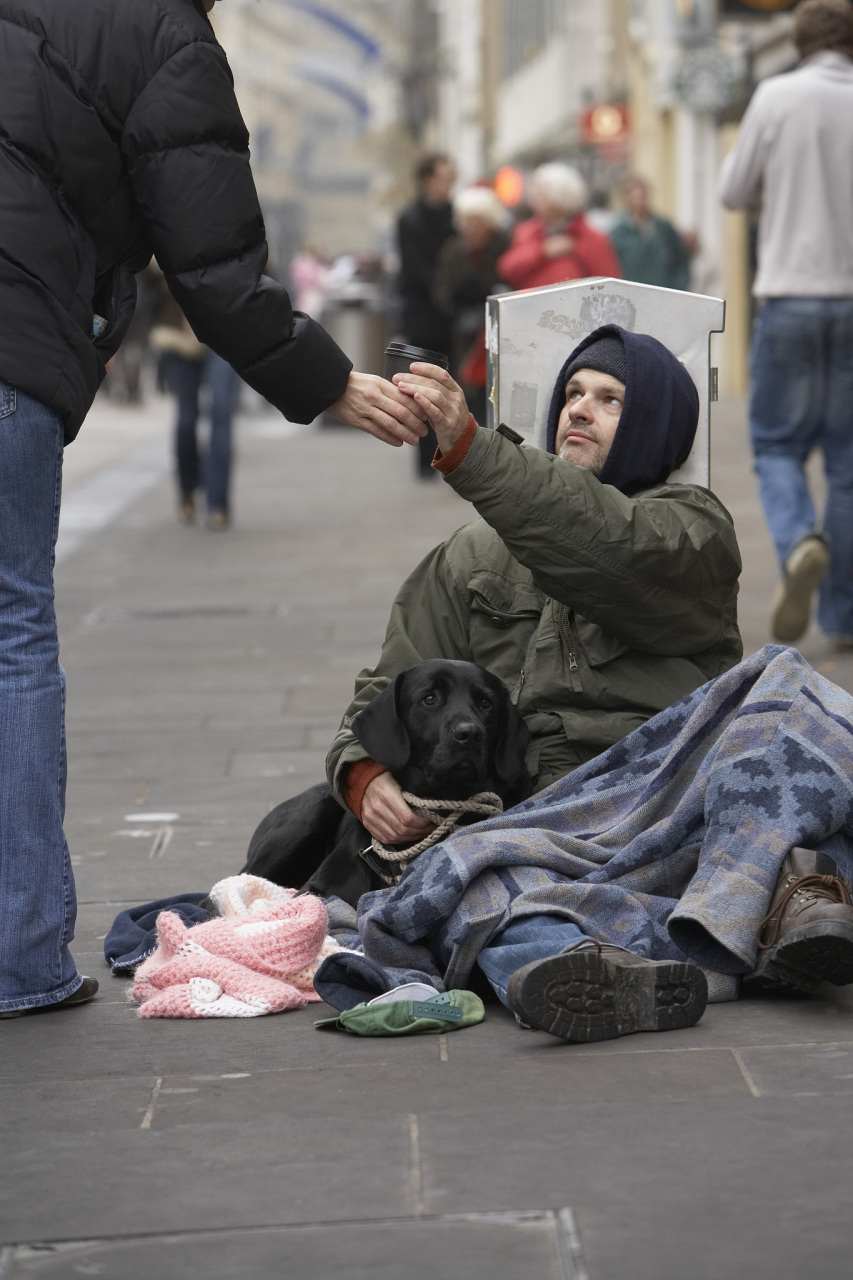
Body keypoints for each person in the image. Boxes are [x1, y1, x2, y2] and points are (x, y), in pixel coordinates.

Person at [0, 0, 426, 1018]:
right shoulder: (163, 38)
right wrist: (327, 380)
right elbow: (213, 259)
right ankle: (17, 955)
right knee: (11, 633)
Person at [313, 328, 853, 1042]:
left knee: (786, 691)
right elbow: (387, 687)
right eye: (571, 394)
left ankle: (781, 903)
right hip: (541, 822)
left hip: (671, 802)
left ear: (653, 425)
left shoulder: (693, 529)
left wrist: (474, 451)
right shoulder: (469, 555)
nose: (579, 410)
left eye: (609, 400)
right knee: (472, 889)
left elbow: (600, 543)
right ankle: (611, 967)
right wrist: (364, 773)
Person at [720, 0, 853, 647]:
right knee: (848, 465)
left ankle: (799, 539)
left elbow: (731, 191)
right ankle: (842, 617)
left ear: (799, 42)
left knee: (776, 446)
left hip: (790, 296)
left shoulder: (776, 97)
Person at [150, 284, 240, 529]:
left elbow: (262, 268)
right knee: (186, 420)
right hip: (178, 334)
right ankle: (188, 489)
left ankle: (217, 503)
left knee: (221, 411)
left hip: (224, 331)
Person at [395, 153, 457, 477]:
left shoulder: (456, 216)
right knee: (422, 390)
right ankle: (424, 461)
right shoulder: (411, 219)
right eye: (446, 177)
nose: (451, 185)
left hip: (453, 319)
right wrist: (445, 287)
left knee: (452, 389)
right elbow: (415, 270)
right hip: (422, 317)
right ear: (427, 181)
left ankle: (451, 455)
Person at [433, 186, 510, 423]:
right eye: (467, 222)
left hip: (500, 334)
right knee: (467, 394)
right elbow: (441, 291)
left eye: (478, 221)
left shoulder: (504, 246)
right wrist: (458, 302)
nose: (472, 228)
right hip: (463, 336)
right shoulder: (453, 250)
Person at [497, 162, 620, 291]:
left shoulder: (590, 237)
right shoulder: (529, 231)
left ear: (559, 199)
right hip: (533, 307)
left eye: (541, 196)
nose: (533, 201)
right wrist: (542, 251)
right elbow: (507, 268)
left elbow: (609, 285)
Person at [609, 176, 693, 292]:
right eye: (636, 197)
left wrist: (679, 288)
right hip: (633, 298)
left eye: (643, 196)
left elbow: (681, 263)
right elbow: (612, 269)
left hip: (664, 297)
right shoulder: (618, 234)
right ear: (627, 199)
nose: (641, 201)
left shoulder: (664, 229)